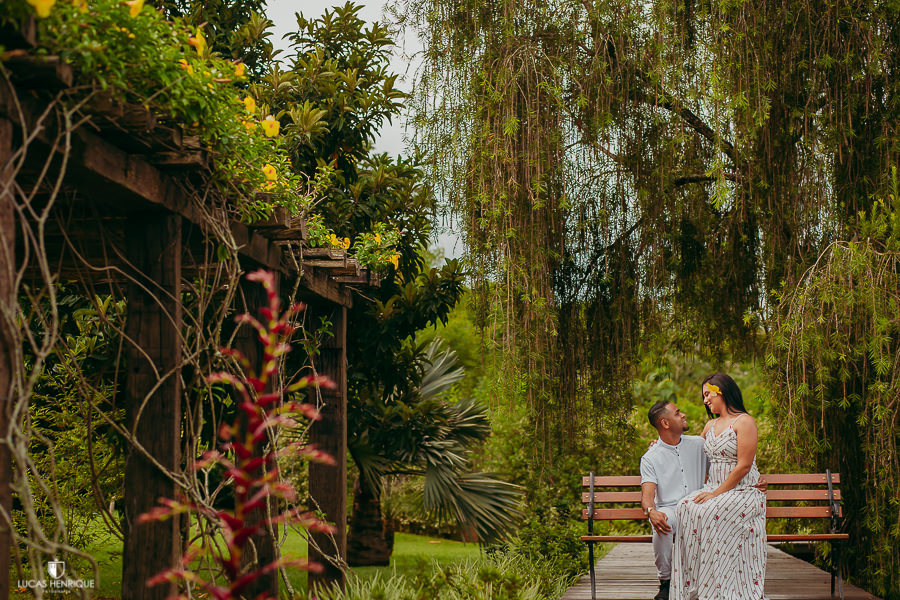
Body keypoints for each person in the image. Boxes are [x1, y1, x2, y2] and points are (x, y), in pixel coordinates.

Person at [671, 372, 768, 599]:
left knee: (710, 510)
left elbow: (744, 466)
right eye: (704, 396)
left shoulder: (744, 422)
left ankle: (719, 588)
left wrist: (715, 493)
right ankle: (693, 586)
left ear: (721, 391)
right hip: (714, 488)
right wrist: (658, 444)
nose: (705, 400)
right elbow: (688, 449)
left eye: (708, 394)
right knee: (685, 507)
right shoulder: (710, 425)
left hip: (743, 490)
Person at [640, 400, 708, 600]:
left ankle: (711, 579)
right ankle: (666, 582)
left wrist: (754, 480)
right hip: (671, 510)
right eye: (678, 413)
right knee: (663, 521)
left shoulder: (699, 445)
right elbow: (647, 497)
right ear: (665, 423)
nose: (683, 415)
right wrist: (651, 512)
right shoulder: (651, 457)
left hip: (699, 506)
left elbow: (725, 468)